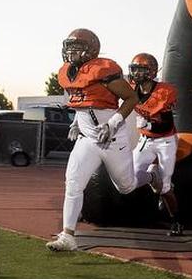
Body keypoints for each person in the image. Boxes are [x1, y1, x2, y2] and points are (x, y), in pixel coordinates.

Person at [46, 28, 151, 251]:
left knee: (127, 186)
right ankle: (68, 236)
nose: (71, 51)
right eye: (69, 46)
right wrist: (76, 122)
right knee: (73, 183)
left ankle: (151, 175)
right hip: (87, 139)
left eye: (77, 46)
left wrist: (112, 124)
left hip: (111, 138)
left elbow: (131, 98)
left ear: (92, 49)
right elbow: (82, 103)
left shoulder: (103, 70)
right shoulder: (65, 73)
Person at [129, 53, 183, 235]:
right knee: (131, 180)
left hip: (165, 140)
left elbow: (166, 124)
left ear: (151, 71)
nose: (136, 73)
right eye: (134, 69)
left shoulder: (164, 91)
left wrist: (149, 122)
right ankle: (153, 177)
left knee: (166, 186)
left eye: (141, 70)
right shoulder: (131, 88)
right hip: (145, 140)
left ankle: (176, 222)